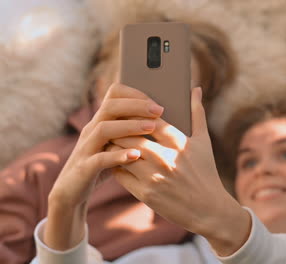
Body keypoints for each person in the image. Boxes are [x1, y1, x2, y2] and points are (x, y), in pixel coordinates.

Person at [31, 49, 286, 263]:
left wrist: (228, 227)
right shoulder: (177, 259)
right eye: (249, 161)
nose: (264, 169)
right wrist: (64, 213)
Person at [0, 15, 237, 264]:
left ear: (199, 107)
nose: (150, 100)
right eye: (134, 81)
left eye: (174, 89)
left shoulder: (210, 175)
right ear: (100, 88)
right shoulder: (43, 165)